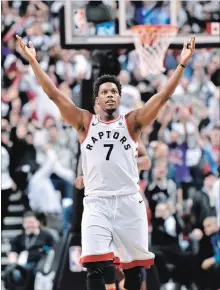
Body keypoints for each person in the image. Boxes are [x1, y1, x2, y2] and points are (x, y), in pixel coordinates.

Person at [16, 34, 195, 290]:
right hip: (97, 202)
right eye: (105, 92)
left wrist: (182, 64)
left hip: (128, 201)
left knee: (134, 271)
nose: (110, 95)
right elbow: (54, 94)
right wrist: (33, 61)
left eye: (114, 91)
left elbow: (163, 95)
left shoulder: (132, 123)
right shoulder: (84, 122)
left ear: (119, 98)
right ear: (96, 100)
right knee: (94, 267)